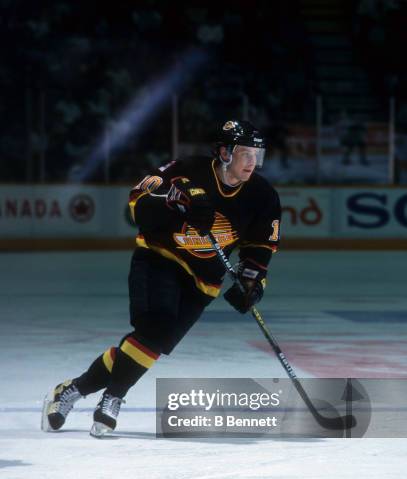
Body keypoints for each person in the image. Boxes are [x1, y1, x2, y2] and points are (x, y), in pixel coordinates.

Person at [41, 119, 282, 437]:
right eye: (245, 153)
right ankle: (113, 398)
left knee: (150, 344)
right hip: (159, 259)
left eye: (257, 155)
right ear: (224, 152)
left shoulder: (263, 196)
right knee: (156, 327)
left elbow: (260, 246)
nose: (252, 162)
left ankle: (71, 391)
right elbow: (136, 206)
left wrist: (253, 281)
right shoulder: (185, 171)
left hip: (204, 281)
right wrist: (174, 203)